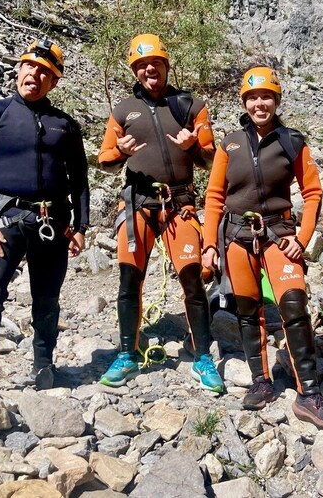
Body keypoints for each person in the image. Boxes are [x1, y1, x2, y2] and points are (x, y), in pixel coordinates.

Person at [201, 66, 323, 428]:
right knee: (248, 309)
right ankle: (261, 381)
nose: (259, 103)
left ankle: (308, 393)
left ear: (276, 100)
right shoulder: (229, 143)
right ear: (244, 101)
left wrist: (303, 238)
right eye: (252, 97)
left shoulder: (292, 140)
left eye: (266, 96)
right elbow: (215, 197)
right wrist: (208, 244)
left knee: (293, 303)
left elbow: (312, 193)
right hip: (236, 236)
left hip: (279, 233)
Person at [0, 39, 89, 400]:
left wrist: (80, 227)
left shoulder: (65, 124)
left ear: (55, 82)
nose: (35, 74)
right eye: (30, 67)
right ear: (18, 70)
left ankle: (45, 365)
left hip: (53, 221)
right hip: (3, 219)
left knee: (47, 299)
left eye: (45, 72)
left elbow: (79, 180)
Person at [97, 33, 223, 392]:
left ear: (166, 66)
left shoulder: (190, 105)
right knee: (129, 279)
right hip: (138, 204)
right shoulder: (123, 110)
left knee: (192, 279)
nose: (149, 69)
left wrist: (195, 146)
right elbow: (104, 161)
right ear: (135, 71)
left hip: (179, 206)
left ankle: (202, 357)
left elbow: (212, 160)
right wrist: (120, 152)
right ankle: (126, 355)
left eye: (155, 63)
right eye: (141, 65)